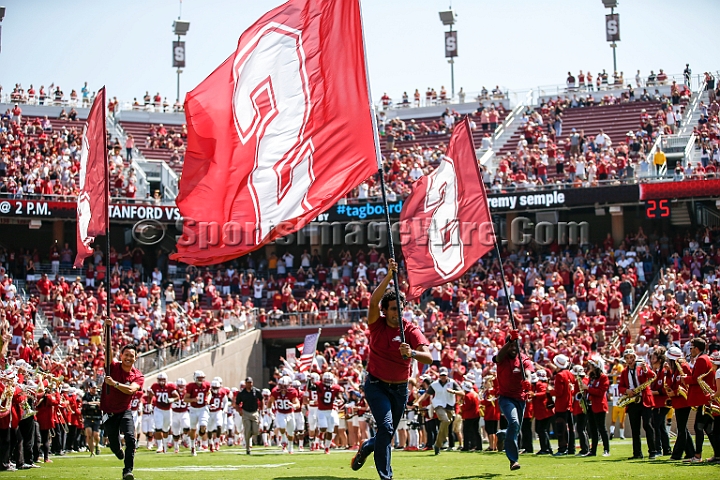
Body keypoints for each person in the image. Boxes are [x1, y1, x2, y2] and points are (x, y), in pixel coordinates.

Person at [351, 258, 432, 480]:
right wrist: (389, 275)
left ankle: (368, 446)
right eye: (394, 308)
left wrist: (412, 353)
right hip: (376, 385)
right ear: (385, 311)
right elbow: (373, 301)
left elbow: (429, 357)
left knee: (386, 433)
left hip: (400, 389)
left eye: (401, 308)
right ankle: (386, 477)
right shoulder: (376, 323)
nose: (398, 312)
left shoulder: (411, 329)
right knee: (386, 428)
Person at [101, 337, 144, 480]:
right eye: (126, 355)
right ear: (121, 356)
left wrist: (115, 384)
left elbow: (132, 390)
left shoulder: (137, 375)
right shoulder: (112, 367)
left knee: (131, 439)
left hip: (125, 410)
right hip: (109, 411)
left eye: (132, 356)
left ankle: (128, 470)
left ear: (135, 357)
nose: (128, 358)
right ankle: (117, 450)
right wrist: (108, 329)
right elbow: (107, 351)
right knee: (113, 444)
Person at [494, 329, 533, 471]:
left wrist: (528, 382)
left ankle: (504, 434)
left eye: (515, 345)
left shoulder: (524, 359)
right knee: (514, 422)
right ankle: (513, 460)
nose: (512, 348)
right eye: (510, 346)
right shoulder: (502, 358)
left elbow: (528, 372)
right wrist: (510, 340)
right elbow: (497, 357)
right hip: (505, 398)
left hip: (520, 399)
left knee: (515, 429)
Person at [415, 366, 463, 455]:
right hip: (438, 405)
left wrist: (453, 392)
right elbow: (426, 394)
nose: (443, 377)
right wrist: (418, 402)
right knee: (445, 420)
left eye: (444, 375)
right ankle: (443, 441)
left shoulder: (453, 383)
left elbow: (462, 393)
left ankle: (437, 445)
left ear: (447, 375)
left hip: (450, 406)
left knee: (446, 424)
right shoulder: (434, 384)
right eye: (441, 375)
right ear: (439, 375)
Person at [618, 349, 657, 459]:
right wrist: (627, 391)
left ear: (635, 358)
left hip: (644, 400)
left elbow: (652, 375)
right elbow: (620, 386)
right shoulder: (624, 372)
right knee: (634, 429)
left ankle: (653, 451)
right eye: (627, 358)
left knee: (647, 425)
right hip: (633, 402)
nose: (630, 360)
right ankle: (637, 453)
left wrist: (645, 369)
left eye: (631, 357)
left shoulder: (641, 367)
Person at [683, 337, 717, 463]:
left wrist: (685, 379)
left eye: (691, 348)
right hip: (706, 398)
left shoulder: (702, 359)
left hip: (704, 398)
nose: (690, 350)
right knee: (708, 429)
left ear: (697, 348)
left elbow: (696, 379)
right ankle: (717, 454)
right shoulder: (705, 358)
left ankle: (697, 456)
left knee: (698, 427)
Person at [586, 356, 610, 456]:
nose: (590, 367)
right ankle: (593, 450)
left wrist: (587, 388)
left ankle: (606, 450)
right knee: (592, 429)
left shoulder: (603, 377)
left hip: (599, 405)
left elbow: (600, 392)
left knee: (601, 428)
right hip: (590, 405)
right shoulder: (591, 377)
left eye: (591, 365)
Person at [235, 377, 263, 454]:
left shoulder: (256, 391)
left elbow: (261, 399)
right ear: (245, 383)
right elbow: (237, 403)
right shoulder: (242, 393)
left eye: (250, 382)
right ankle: (248, 448)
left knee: (255, 431)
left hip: (254, 412)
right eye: (248, 383)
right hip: (246, 412)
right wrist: (239, 411)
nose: (249, 384)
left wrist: (262, 409)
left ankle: (249, 434)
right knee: (247, 430)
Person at [82, 381, 102, 457]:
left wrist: (91, 403)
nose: (94, 390)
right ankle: (92, 451)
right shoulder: (86, 396)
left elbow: (101, 404)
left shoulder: (99, 395)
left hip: (96, 417)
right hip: (88, 417)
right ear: (90, 388)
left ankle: (97, 445)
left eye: (95, 388)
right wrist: (94, 404)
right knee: (89, 434)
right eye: (93, 388)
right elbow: (84, 404)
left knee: (96, 435)